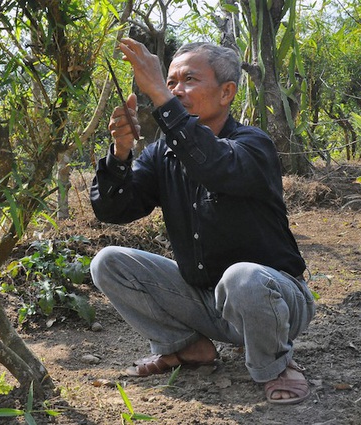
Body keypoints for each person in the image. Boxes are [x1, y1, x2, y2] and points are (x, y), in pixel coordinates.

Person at [89, 39, 315, 405]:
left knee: (242, 277)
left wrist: (161, 97)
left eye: (188, 79)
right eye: (171, 81)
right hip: (206, 301)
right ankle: (187, 347)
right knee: (109, 262)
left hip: (273, 300)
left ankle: (275, 365)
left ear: (227, 92)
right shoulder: (163, 152)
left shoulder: (253, 144)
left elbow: (212, 164)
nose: (176, 90)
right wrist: (121, 153)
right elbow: (114, 210)